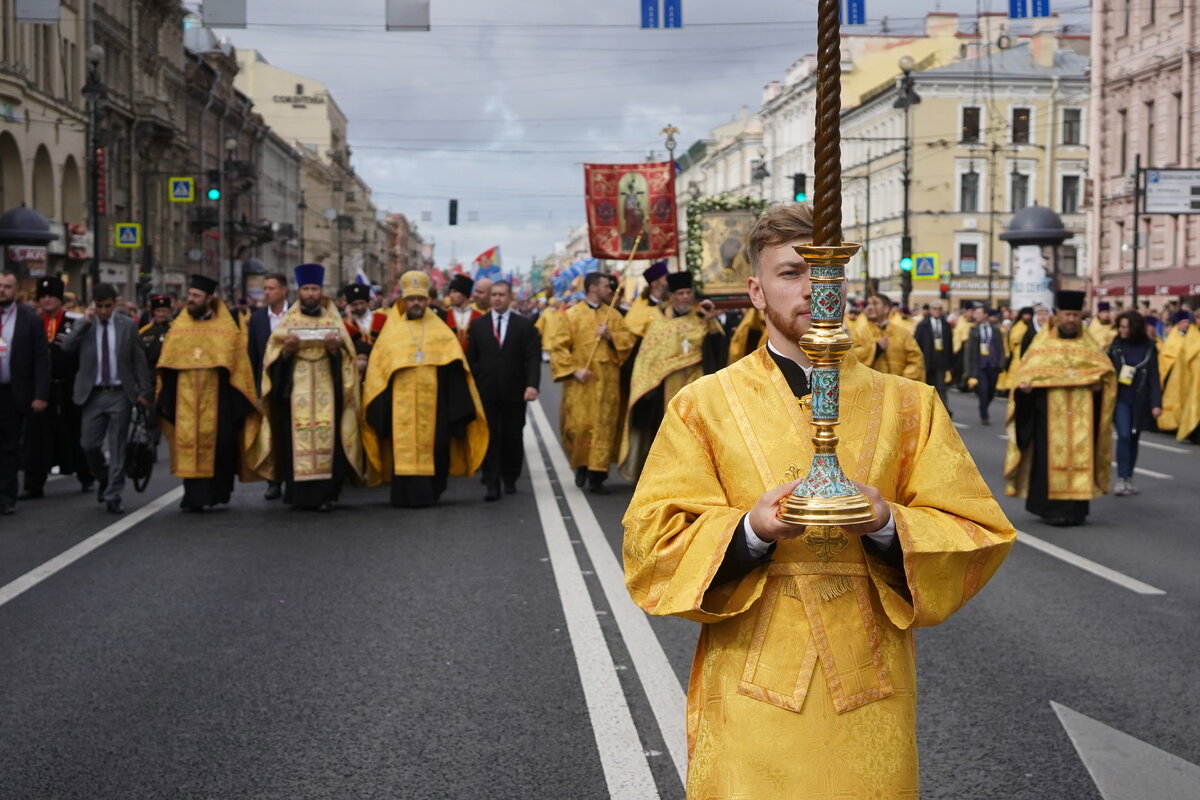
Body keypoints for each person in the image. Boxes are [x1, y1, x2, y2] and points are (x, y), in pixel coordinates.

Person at [622, 204, 1014, 798]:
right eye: (791, 273)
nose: (813, 288)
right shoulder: (703, 405)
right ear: (756, 290)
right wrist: (749, 530)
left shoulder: (910, 405)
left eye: (827, 273)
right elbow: (651, 541)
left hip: (871, 688)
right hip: (752, 685)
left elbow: (976, 531)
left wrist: (888, 524)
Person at [362, 270, 488, 508]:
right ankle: (402, 496)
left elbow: (454, 366)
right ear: (404, 301)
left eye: (421, 298)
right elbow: (379, 370)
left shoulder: (440, 330)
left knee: (438, 447)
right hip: (400, 405)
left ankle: (433, 491)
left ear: (428, 300)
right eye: (412, 299)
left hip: (435, 404)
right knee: (402, 447)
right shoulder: (392, 331)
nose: (416, 303)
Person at [1005, 290, 1116, 527]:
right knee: (1048, 460)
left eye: (1076, 315)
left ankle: (1076, 511)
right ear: (1057, 315)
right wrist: (1025, 391)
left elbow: (1107, 375)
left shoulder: (1089, 344)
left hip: (1082, 417)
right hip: (1048, 415)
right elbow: (1026, 373)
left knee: (1079, 458)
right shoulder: (1042, 342)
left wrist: (1099, 389)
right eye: (1067, 315)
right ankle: (1052, 509)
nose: (1072, 320)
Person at [258, 264, 364, 511]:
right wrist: (287, 352)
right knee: (295, 443)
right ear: (298, 290)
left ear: (321, 290)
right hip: (294, 395)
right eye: (305, 289)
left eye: (314, 288)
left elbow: (348, 360)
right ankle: (298, 495)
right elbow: (271, 360)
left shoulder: (332, 318)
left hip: (329, 391)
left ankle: (326, 494)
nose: (310, 294)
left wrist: (335, 351)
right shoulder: (289, 321)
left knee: (330, 442)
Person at [157, 274, 263, 512]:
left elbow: (238, 365)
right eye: (190, 296)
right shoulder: (179, 328)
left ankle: (220, 491)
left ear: (209, 298)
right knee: (188, 444)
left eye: (196, 296)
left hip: (219, 401)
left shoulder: (225, 330)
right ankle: (193, 496)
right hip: (184, 399)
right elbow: (167, 364)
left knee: (222, 446)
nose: (190, 300)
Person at [619, 271, 727, 482]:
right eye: (680, 293)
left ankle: (694, 478)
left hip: (694, 387)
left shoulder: (701, 318)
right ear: (672, 295)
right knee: (662, 432)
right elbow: (647, 358)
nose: (685, 297)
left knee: (694, 435)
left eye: (688, 292)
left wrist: (712, 321)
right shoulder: (659, 321)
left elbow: (719, 350)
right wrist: (648, 387)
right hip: (662, 390)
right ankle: (661, 478)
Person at [62, 283, 153, 514]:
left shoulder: (127, 326)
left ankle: (114, 493)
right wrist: (85, 322)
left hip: (119, 393)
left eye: (107, 306)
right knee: (88, 445)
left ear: (116, 302)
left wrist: (144, 392)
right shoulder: (85, 323)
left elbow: (138, 359)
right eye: (100, 306)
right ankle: (104, 478)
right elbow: (67, 347)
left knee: (117, 446)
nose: (103, 311)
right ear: (94, 304)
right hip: (91, 395)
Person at [547, 271, 635, 494]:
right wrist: (574, 370)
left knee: (604, 427)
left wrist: (611, 337)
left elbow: (628, 342)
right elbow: (558, 347)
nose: (610, 291)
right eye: (607, 286)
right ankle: (581, 467)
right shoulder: (571, 315)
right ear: (593, 288)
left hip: (607, 384)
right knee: (579, 426)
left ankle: (598, 475)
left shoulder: (613, 316)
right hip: (581, 384)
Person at [465, 280, 541, 501]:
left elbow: (533, 359)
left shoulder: (524, 326)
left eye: (502, 295)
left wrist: (532, 385)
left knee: (512, 435)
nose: (497, 298)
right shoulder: (478, 326)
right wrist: (477, 382)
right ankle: (491, 481)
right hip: (487, 391)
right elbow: (472, 359)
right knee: (490, 436)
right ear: (490, 298)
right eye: (494, 295)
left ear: (510, 298)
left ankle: (510, 477)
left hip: (515, 391)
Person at [21, 276, 91, 499]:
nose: (48, 300)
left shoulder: (75, 320)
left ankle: (86, 474)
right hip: (40, 387)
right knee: (37, 435)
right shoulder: (32, 321)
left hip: (69, 385)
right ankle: (34, 483)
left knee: (76, 430)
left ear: (60, 299)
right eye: (43, 297)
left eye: (52, 296)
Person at [0, 270, 49, 514]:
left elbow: (41, 359)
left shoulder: (29, 319)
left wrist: (40, 394)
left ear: (16, 290)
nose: (2, 290)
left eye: (7, 286)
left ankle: (6, 497)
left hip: (13, 392)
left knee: (9, 446)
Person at [1108, 310, 1162, 495]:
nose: (1121, 330)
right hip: (1120, 398)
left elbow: (1154, 376)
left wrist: (1157, 403)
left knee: (1133, 437)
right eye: (1120, 327)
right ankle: (1122, 478)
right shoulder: (1116, 345)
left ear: (1134, 327)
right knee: (1123, 435)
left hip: (1140, 399)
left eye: (1125, 327)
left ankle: (1129, 476)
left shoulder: (1149, 347)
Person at [247, 272, 289, 500]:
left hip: (293, 385)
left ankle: (291, 478)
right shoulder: (257, 319)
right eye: (265, 289)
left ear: (283, 290)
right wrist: (254, 388)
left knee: (291, 434)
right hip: (267, 386)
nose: (266, 292)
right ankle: (273, 481)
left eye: (271, 288)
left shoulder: (296, 315)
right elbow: (252, 355)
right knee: (270, 435)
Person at [849, 293, 924, 381]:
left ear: (886, 308)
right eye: (867, 304)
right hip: (870, 387)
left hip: (898, 389)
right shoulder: (858, 332)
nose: (869, 308)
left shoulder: (903, 333)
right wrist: (876, 349)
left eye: (875, 304)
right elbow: (852, 359)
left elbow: (916, 360)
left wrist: (903, 382)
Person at [964, 307, 1005, 425]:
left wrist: (1001, 363)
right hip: (980, 365)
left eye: (978, 313)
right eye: (975, 313)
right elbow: (969, 350)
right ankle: (984, 413)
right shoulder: (974, 329)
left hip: (993, 364)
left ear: (985, 315)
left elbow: (1000, 347)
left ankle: (984, 404)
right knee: (983, 390)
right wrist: (968, 369)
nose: (975, 315)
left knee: (991, 391)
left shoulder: (995, 329)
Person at [913, 299, 953, 410]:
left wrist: (950, 364)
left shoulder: (946, 325)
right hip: (927, 360)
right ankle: (927, 409)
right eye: (935, 308)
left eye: (940, 309)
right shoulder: (923, 325)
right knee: (927, 386)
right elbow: (916, 343)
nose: (937, 311)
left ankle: (944, 410)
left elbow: (950, 345)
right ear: (930, 310)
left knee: (941, 387)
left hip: (941, 361)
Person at [1157, 309, 1193, 433]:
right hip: (1173, 376)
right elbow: (1167, 355)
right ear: (1178, 324)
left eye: (1187, 322)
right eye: (1183, 322)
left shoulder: (1192, 336)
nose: (1186, 325)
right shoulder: (1173, 337)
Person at [623, 259, 668, 339]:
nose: (669, 282)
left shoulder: (672, 302)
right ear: (654, 283)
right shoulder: (639, 306)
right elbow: (631, 332)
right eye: (666, 279)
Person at [342, 282, 387, 358]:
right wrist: (349, 319)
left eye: (362, 303)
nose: (359, 307)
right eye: (355, 304)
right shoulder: (345, 323)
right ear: (349, 306)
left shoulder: (381, 318)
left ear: (368, 302)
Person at [445, 274, 482, 351]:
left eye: (455, 292)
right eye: (450, 292)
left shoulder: (479, 316)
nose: (451, 295)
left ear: (465, 294)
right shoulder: (445, 315)